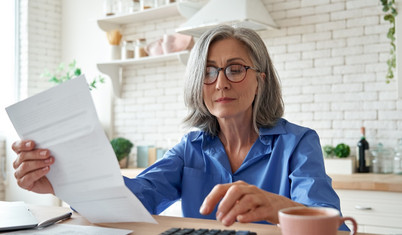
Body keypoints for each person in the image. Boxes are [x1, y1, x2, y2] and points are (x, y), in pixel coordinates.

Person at [12, 25, 349, 230]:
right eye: (208, 71)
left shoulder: (298, 143)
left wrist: (277, 207)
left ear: (260, 80)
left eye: (235, 69)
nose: (220, 83)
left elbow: (335, 228)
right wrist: (62, 181)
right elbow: (136, 198)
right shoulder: (191, 148)